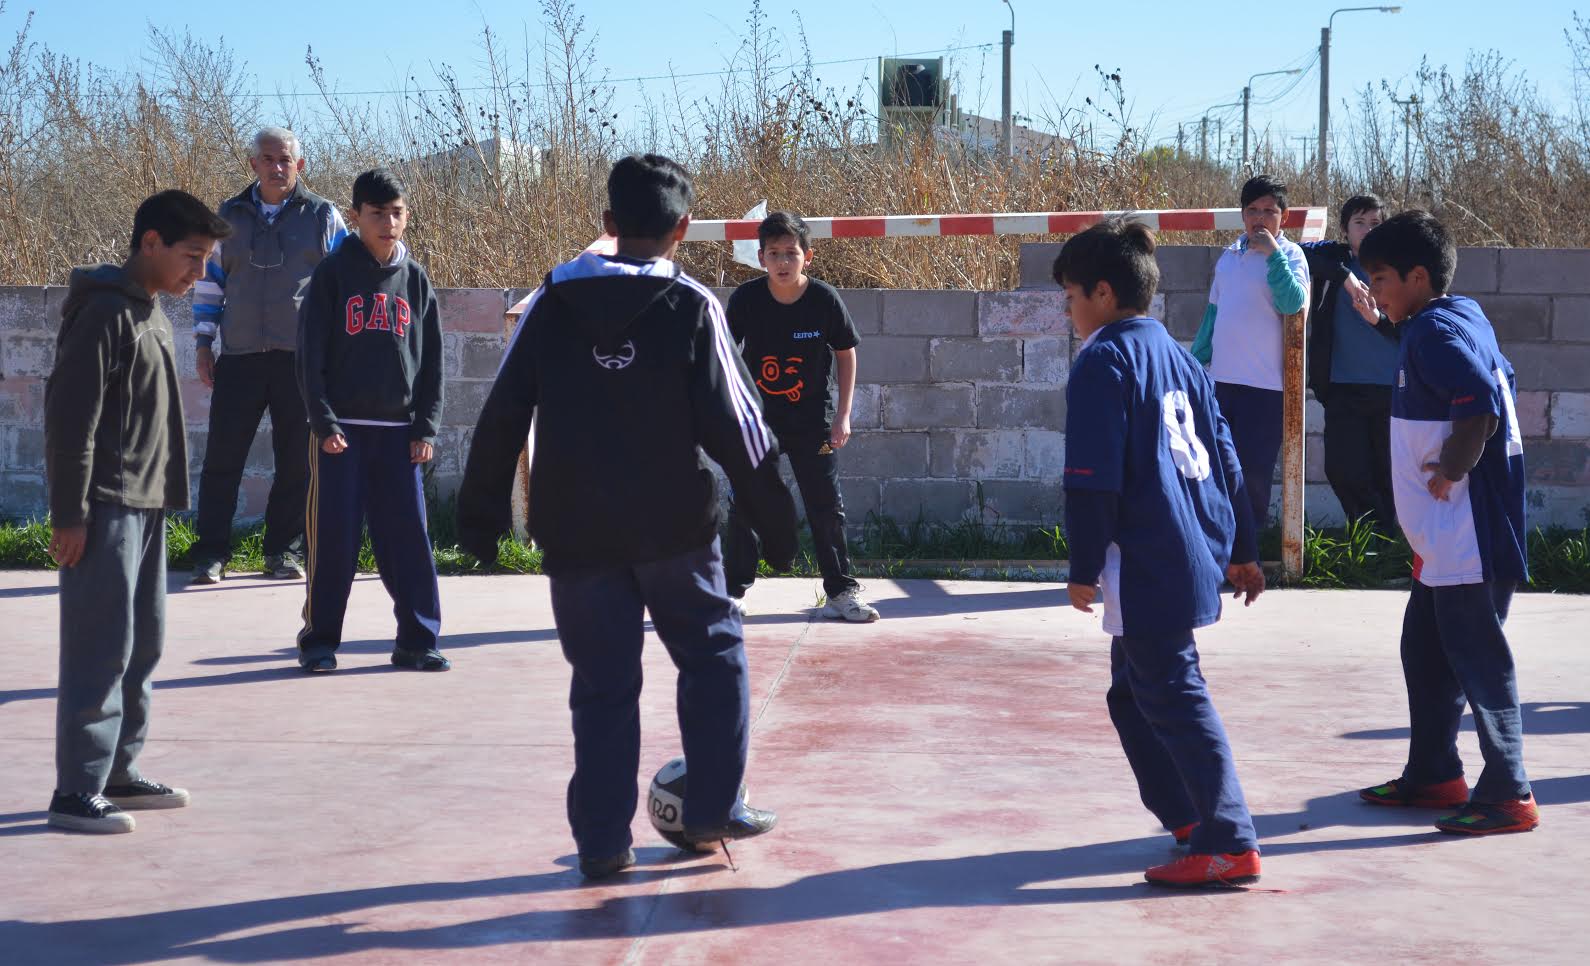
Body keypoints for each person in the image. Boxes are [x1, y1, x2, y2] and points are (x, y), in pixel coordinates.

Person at [456, 154, 800, 880]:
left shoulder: (551, 300)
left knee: (603, 683)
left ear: (608, 225)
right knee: (711, 659)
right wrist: (778, 525)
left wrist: (480, 520)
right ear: (682, 229)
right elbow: (741, 430)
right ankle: (710, 809)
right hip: (673, 526)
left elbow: (501, 417)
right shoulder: (692, 306)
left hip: (575, 532)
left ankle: (602, 842)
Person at [1059, 218, 1267, 887]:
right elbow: (1228, 459)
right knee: (1133, 691)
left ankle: (1230, 838)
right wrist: (1242, 548)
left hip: (1151, 553)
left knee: (1171, 689)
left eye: (1070, 295)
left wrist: (1083, 567)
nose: (1067, 309)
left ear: (1102, 291)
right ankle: (1188, 817)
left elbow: (1092, 477)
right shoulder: (1180, 357)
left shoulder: (1102, 359)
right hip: (1191, 548)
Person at [44, 190, 233, 833]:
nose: (199, 273)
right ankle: (76, 791)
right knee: (99, 647)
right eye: (191, 256)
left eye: (207, 259)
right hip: (104, 506)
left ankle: (117, 775)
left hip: (148, 505)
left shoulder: (152, 312)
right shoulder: (104, 313)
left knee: (141, 644)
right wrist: (69, 513)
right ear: (149, 243)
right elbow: (71, 420)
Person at [1354, 211, 1538, 835]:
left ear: (1417, 276)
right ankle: (1434, 772)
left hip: (1465, 535)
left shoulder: (1434, 333)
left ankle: (1508, 790)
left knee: (1477, 661)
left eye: (1379, 278)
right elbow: (1494, 379)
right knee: (1426, 651)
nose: (1374, 290)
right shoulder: (1454, 318)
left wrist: (1451, 469)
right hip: (1445, 542)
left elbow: (1481, 402)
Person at [295, 168, 447, 674]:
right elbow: (309, 357)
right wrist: (323, 421)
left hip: (399, 435)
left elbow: (434, 364)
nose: (388, 222)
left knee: (409, 542)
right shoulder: (333, 274)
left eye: (397, 212)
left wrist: (426, 427)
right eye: (377, 213)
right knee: (333, 539)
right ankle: (319, 641)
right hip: (341, 434)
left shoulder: (416, 278)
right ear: (355, 215)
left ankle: (417, 641)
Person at [190, 127, 348, 584]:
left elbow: (342, 282)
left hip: (299, 360)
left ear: (300, 166)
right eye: (268, 159)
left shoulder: (323, 216)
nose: (277, 167)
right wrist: (204, 343)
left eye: (286, 160)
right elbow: (209, 283)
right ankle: (210, 555)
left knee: (297, 461)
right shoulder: (227, 216)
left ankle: (283, 552)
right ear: (253, 164)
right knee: (222, 459)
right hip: (238, 356)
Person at [723, 211, 878, 622]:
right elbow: (721, 356)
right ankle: (732, 592)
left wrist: (842, 415)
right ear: (761, 258)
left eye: (791, 252)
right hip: (760, 424)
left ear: (807, 256)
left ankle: (842, 592)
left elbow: (846, 354)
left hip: (813, 421)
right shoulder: (746, 300)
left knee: (826, 506)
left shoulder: (824, 300)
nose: (783, 261)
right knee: (744, 504)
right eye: (774, 253)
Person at [1191, 174, 1310, 529]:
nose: (1260, 218)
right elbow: (1212, 318)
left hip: (1267, 390)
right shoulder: (1228, 257)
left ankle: (1249, 555)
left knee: (1254, 479)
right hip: (1221, 385)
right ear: (1242, 215)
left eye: (1269, 211)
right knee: (1214, 471)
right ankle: (1219, 551)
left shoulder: (1291, 255)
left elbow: (1293, 304)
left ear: (1283, 217)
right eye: (1253, 210)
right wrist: (1194, 366)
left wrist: (1273, 255)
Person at [1303, 194, 1400, 531]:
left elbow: (1412, 326)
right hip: (1343, 387)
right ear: (1345, 229)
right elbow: (1301, 254)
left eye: (1375, 223)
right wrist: (1344, 277)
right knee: (1343, 468)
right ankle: (1369, 534)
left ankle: (1385, 542)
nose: (1368, 230)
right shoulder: (1334, 258)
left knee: (1388, 470)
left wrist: (1379, 321)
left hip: (1392, 389)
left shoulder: (1398, 268)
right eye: (1360, 223)